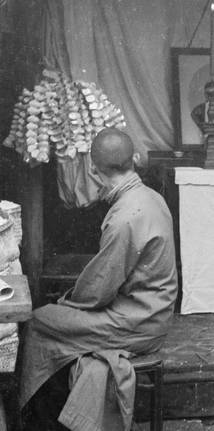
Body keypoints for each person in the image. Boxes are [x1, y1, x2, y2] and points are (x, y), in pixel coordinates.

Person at [20, 127, 178, 431]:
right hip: (153, 313)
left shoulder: (124, 217)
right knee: (59, 319)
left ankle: (40, 422)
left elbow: (96, 294)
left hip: (137, 323)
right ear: (133, 160)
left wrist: (65, 304)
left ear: (94, 168)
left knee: (40, 319)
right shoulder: (151, 197)